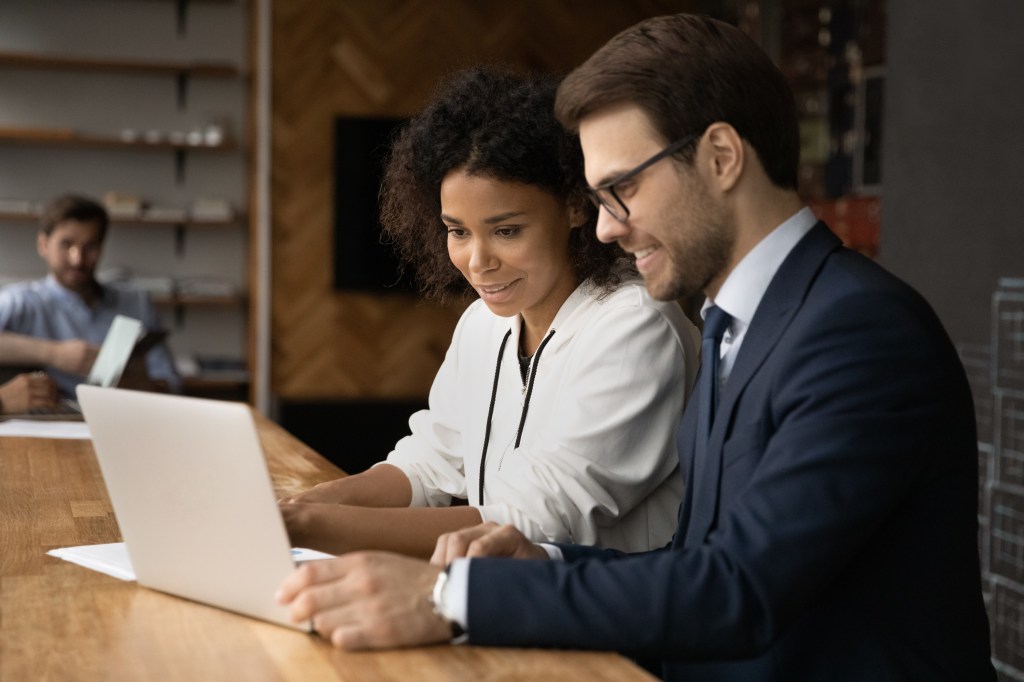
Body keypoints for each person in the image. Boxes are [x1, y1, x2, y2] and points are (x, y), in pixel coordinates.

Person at [275, 14, 996, 681]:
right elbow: (694, 565)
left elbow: (738, 591)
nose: (605, 228)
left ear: (720, 157)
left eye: (621, 190)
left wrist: (450, 597)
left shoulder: (858, 333)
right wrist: (538, 561)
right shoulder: (737, 323)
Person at [278, 66, 699, 558]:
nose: (477, 263)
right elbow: (430, 463)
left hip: (602, 621)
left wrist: (310, 527)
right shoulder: (484, 322)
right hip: (500, 597)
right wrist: (305, 505)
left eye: (506, 231)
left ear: (575, 208)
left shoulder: (636, 327)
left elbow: (534, 521)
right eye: (458, 231)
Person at [0, 194, 181, 399]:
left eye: (91, 246)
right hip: (53, 421)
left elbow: (171, 382)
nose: (78, 259)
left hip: (122, 416)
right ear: (43, 245)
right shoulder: (19, 302)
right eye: (66, 244)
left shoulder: (135, 302)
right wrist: (53, 353)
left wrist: (143, 385)